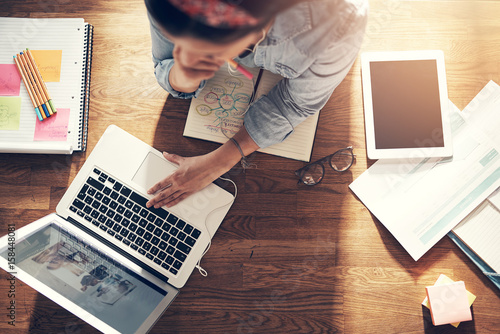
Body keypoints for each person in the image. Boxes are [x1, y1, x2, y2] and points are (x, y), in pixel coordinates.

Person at [144, 0, 368, 208]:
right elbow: (165, 62)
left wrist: (217, 163)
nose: (190, 48)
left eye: (210, 47)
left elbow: (295, 104)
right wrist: (184, 74)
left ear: (255, 30)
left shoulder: (340, 20)